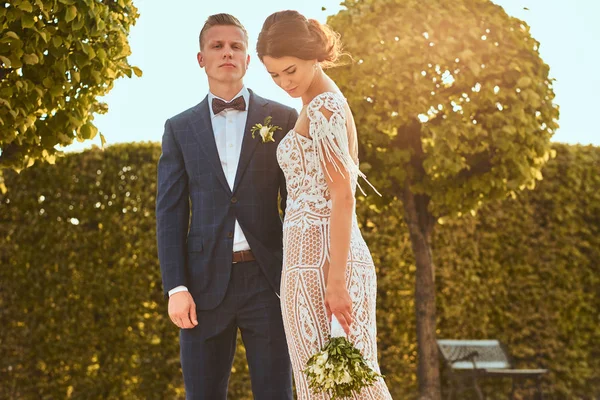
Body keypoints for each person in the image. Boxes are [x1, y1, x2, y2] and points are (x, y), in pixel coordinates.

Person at [156, 13, 297, 400]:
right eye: (217, 46)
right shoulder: (179, 128)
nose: (227, 53)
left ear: (248, 59)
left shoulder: (283, 118)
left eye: (236, 46)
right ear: (201, 58)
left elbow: (297, 204)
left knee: (276, 393)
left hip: (269, 282)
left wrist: (300, 276)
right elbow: (169, 213)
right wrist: (176, 287)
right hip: (201, 287)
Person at [256, 10, 392, 399]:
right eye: (274, 75)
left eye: (291, 70)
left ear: (313, 55)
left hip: (324, 268)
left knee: (346, 387)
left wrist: (335, 282)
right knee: (329, 387)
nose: (284, 83)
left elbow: (343, 195)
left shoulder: (324, 108)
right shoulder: (315, 103)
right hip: (309, 264)